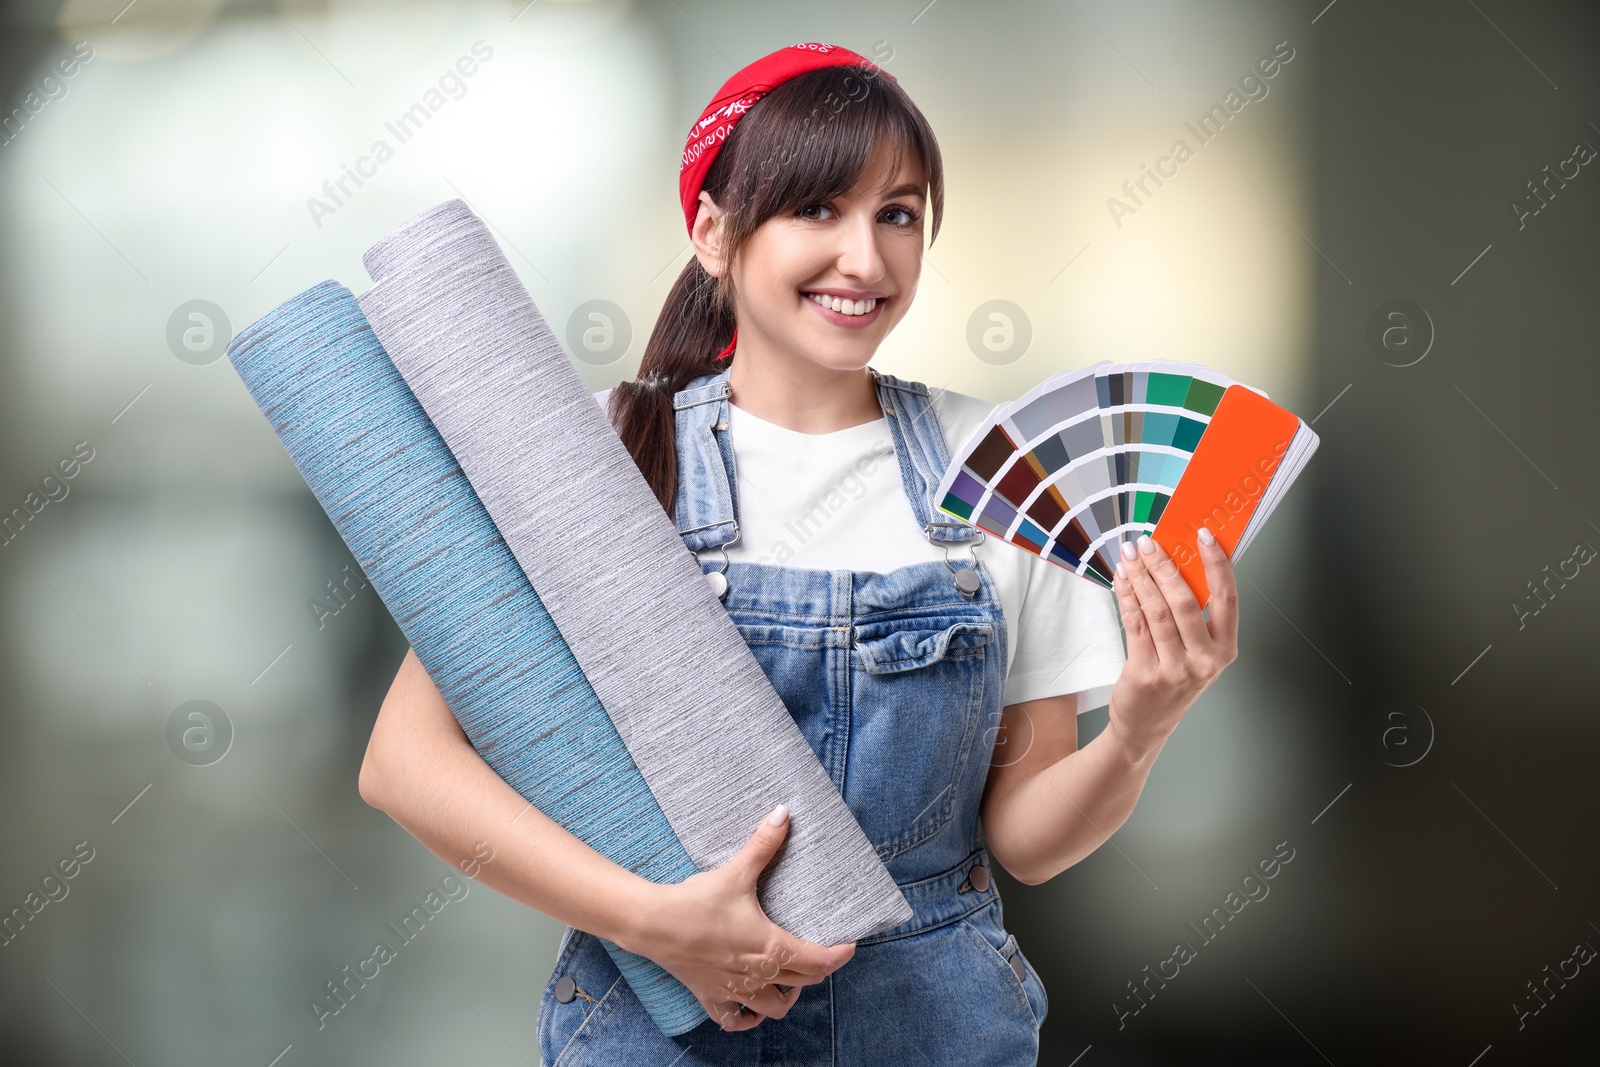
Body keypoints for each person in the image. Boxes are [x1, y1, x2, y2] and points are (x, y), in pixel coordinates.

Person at [358, 41, 1239, 1066]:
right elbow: (405, 763)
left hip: (932, 1026)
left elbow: (1027, 836)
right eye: (816, 209)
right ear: (713, 231)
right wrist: (654, 919)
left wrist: (1139, 724)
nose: (864, 260)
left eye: (897, 214)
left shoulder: (1002, 467)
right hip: (658, 1018)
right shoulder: (604, 452)